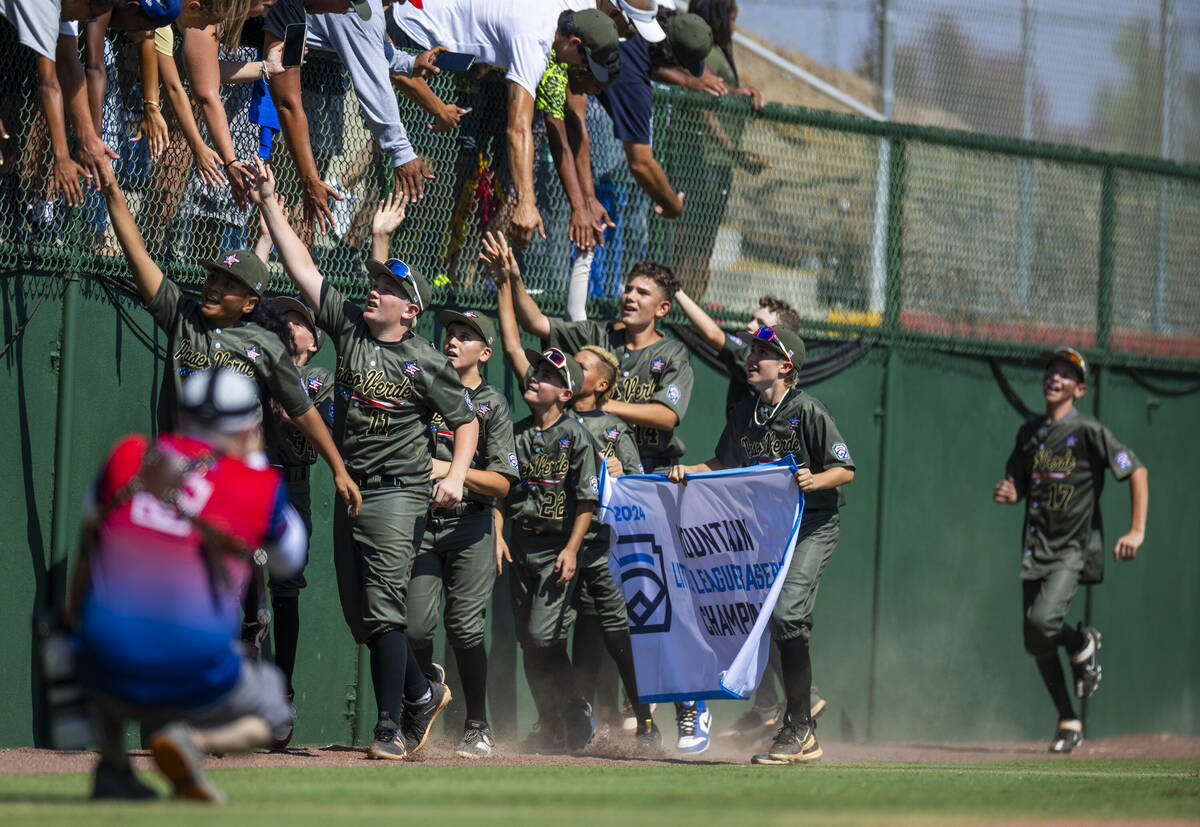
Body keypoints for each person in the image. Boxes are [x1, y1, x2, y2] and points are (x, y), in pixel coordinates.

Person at [252, 160, 481, 761]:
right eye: (374, 280)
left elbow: (466, 420)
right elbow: (302, 268)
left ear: (410, 310)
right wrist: (272, 200)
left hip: (400, 490)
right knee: (363, 618)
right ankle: (421, 690)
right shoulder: (351, 329)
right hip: (351, 486)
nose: (374, 287)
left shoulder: (426, 359)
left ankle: (387, 728)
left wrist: (456, 474)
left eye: (389, 286)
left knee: (384, 607)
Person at [496, 230, 708, 753]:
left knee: (639, 617)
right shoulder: (593, 346)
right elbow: (530, 330)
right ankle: (572, 716)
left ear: (661, 306)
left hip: (637, 500)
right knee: (562, 632)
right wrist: (511, 279)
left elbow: (666, 414)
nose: (629, 297)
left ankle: (673, 707)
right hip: (564, 525)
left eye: (642, 292)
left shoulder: (667, 359)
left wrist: (609, 419)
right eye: (628, 288)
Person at [69, 368, 307, 803]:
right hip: (194, 676)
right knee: (275, 711)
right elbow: (290, 558)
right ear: (248, 427)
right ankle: (188, 744)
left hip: (96, 667)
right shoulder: (257, 484)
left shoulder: (130, 455)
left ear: (180, 414)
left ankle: (113, 763)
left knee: (110, 624)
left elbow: (90, 527)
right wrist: (250, 469)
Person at [97, 176, 362, 517]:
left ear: (250, 303)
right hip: (177, 473)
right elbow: (138, 255)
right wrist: (113, 191)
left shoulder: (264, 344)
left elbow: (302, 409)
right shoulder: (183, 316)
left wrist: (338, 468)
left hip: (230, 478)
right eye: (214, 278)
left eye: (228, 285)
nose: (214, 288)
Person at [669, 324, 854, 765]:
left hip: (811, 525)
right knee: (764, 619)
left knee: (789, 613)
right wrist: (690, 471)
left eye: (764, 353)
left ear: (786, 367)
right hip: (765, 532)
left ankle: (798, 728)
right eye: (752, 350)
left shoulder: (808, 410)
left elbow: (844, 470)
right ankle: (794, 712)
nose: (753, 358)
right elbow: (723, 462)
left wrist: (816, 478)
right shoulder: (743, 413)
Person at [993, 347, 1148, 754]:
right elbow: (1019, 485)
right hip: (1035, 549)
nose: (1054, 378)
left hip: (1072, 549)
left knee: (1044, 623)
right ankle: (1069, 719)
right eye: (1051, 371)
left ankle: (1080, 643)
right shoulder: (1029, 434)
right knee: (1035, 640)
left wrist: (1136, 530)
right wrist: (1011, 493)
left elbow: (1136, 469)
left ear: (1079, 389)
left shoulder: (1089, 431)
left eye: (1065, 374)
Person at [388, 0, 621, 248]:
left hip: (428, 45)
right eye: (584, 61)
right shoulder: (535, 41)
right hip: (412, 37)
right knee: (396, 173)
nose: (580, 68)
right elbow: (518, 127)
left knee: (411, 181)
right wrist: (526, 203)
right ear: (574, 42)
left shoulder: (551, 13)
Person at [407, 305, 517, 759]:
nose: (453, 341)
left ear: (485, 352)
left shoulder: (493, 403)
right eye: (450, 333)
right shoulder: (426, 392)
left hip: (470, 526)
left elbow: (503, 482)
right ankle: (423, 699)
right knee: (413, 624)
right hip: (422, 523)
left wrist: (453, 471)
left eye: (465, 336)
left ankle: (477, 723)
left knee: (465, 628)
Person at [494, 343, 601, 754]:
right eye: (535, 371)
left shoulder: (576, 435)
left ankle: (575, 709)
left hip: (556, 546)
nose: (536, 377)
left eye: (550, 375)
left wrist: (573, 549)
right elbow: (501, 493)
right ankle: (549, 721)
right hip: (519, 543)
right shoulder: (516, 433)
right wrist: (500, 534)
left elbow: (587, 501)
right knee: (529, 640)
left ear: (566, 393)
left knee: (544, 635)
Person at [260, 289, 334, 749]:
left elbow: (295, 412)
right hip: (253, 476)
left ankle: (281, 694)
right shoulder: (256, 360)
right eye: (283, 316)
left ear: (314, 340)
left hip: (293, 483)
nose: (290, 324)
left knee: (286, 590)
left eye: (299, 319)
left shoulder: (318, 374)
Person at [672, 289, 801, 415]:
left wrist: (676, 289)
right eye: (752, 319)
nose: (750, 325)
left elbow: (712, 334)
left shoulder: (751, 357)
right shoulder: (750, 355)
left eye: (761, 324)